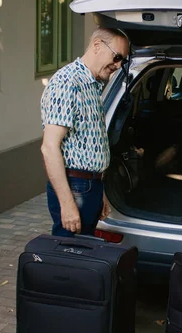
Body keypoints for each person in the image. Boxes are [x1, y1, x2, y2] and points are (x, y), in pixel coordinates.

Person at [40, 28, 130, 237]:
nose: (118, 65)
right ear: (97, 45)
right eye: (116, 57)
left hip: (88, 186)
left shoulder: (90, 84)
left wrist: (99, 191)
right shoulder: (67, 83)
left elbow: (88, 146)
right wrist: (68, 204)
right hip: (75, 187)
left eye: (122, 61)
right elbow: (49, 148)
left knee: (81, 258)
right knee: (70, 258)